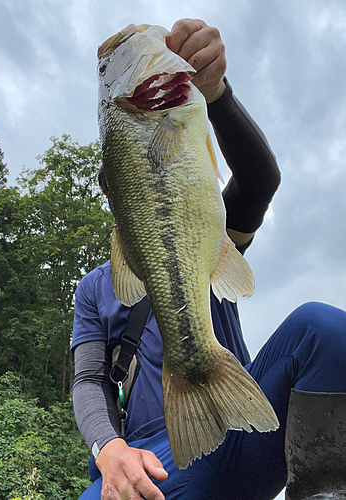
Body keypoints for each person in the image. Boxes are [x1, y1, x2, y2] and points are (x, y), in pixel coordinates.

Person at [72, 19, 346, 500]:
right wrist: (108, 447)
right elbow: (88, 381)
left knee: (324, 330)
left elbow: (259, 180)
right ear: (114, 190)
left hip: (240, 431)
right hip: (149, 463)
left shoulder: (208, 229)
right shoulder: (94, 289)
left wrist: (216, 94)